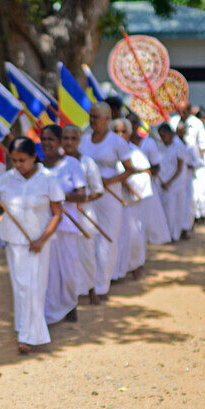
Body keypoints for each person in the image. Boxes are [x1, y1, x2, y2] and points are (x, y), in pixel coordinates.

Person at [0, 137, 64, 353]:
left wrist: (42, 239)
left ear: (33, 157)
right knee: (20, 287)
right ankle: (24, 330)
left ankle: (31, 335)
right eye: (14, 160)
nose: (18, 165)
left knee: (35, 287)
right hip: (14, 241)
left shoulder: (48, 179)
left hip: (39, 242)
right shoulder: (5, 180)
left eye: (22, 160)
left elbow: (58, 214)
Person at [79, 103, 137, 299]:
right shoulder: (83, 140)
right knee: (88, 236)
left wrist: (109, 180)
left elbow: (130, 169)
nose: (92, 120)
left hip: (110, 196)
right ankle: (87, 285)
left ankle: (103, 286)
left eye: (96, 117)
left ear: (107, 119)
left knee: (108, 239)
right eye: (91, 116)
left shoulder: (116, 142)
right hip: (88, 195)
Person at [40, 124, 87, 323]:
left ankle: (70, 304)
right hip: (43, 228)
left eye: (51, 139)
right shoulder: (37, 166)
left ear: (59, 142)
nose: (47, 143)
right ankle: (49, 314)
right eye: (44, 139)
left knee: (67, 271)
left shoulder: (71, 164)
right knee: (48, 273)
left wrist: (58, 195)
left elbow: (82, 195)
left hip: (66, 226)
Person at [61, 124, 103, 305]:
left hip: (84, 216)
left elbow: (98, 190)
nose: (69, 142)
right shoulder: (56, 162)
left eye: (73, 139)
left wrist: (82, 200)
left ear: (79, 141)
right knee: (67, 257)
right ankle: (70, 295)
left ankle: (92, 289)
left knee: (87, 255)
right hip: (62, 218)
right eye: (66, 138)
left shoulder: (87, 162)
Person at [110, 117, 148, 280]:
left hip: (130, 203)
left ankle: (134, 266)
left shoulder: (135, 152)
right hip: (110, 202)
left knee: (132, 236)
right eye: (116, 131)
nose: (120, 135)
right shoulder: (108, 151)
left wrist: (128, 183)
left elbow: (145, 174)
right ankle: (113, 273)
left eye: (123, 131)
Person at [126, 114, 172, 245]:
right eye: (130, 123)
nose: (133, 126)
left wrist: (145, 175)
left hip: (146, 186)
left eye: (135, 123)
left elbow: (156, 166)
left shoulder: (149, 143)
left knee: (150, 215)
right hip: (128, 187)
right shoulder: (123, 145)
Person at [153, 122, 189, 241]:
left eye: (164, 135)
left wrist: (169, 182)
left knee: (174, 210)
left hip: (175, 183)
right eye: (161, 136)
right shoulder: (159, 146)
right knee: (163, 210)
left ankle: (174, 235)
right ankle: (165, 235)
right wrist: (161, 180)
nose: (163, 138)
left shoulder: (179, 146)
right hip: (162, 182)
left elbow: (179, 168)